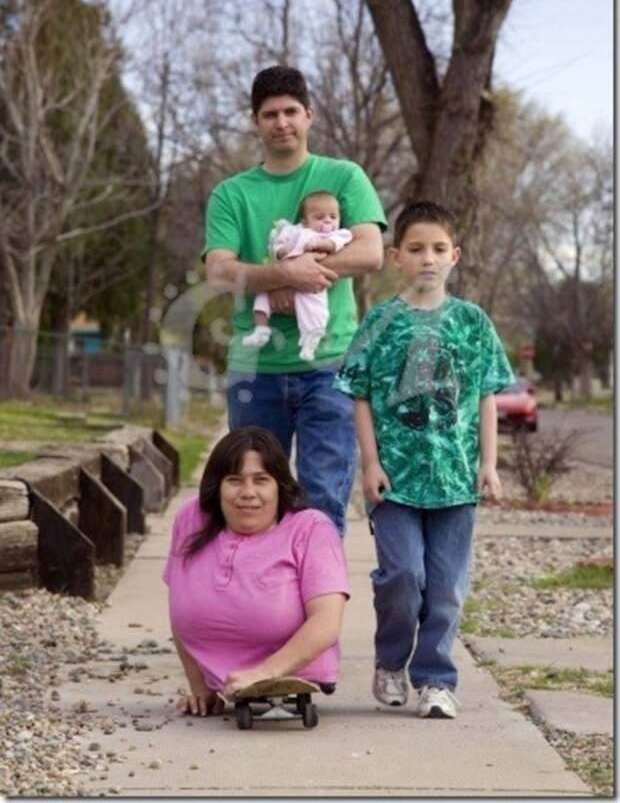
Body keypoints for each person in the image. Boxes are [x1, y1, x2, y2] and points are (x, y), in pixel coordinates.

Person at [334, 200, 514, 719]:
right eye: (416, 249)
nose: (428, 259)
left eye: (438, 249)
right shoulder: (380, 323)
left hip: (456, 481)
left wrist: (489, 462)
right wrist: (370, 464)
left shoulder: (472, 323)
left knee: (447, 589)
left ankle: (435, 679)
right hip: (397, 482)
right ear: (396, 257)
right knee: (402, 578)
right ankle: (390, 661)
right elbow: (360, 394)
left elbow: (485, 396)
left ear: (454, 256)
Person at [204, 65, 386, 535]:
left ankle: (320, 606)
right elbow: (219, 271)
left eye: (290, 111)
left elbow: (370, 252)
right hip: (256, 370)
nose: (281, 122)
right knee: (253, 501)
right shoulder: (231, 194)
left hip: (329, 367)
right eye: (270, 114)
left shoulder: (344, 177)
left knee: (323, 498)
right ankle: (263, 604)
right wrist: (283, 273)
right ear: (255, 121)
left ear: (309, 115)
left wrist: (302, 278)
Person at [163, 427, 349, 716]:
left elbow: (326, 622)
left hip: (292, 674)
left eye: (261, 480)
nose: (248, 493)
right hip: (223, 683)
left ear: (279, 485)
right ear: (217, 486)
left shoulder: (311, 528)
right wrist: (199, 687)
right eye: (234, 480)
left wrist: (265, 673)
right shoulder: (192, 518)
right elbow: (179, 605)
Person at [243, 190, 353, 362]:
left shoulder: (335, 234)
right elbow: (277, 247)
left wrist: (322, 243)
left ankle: (310, 343)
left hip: (309, 283)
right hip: (282, 280)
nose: (327, 221)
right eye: (319, 217)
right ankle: (261, 329)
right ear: (305, 221)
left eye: (333, 216)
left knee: (314, 310)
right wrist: (281, 251)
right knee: (262, 296)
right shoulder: (293, 231)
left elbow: (337, 243)